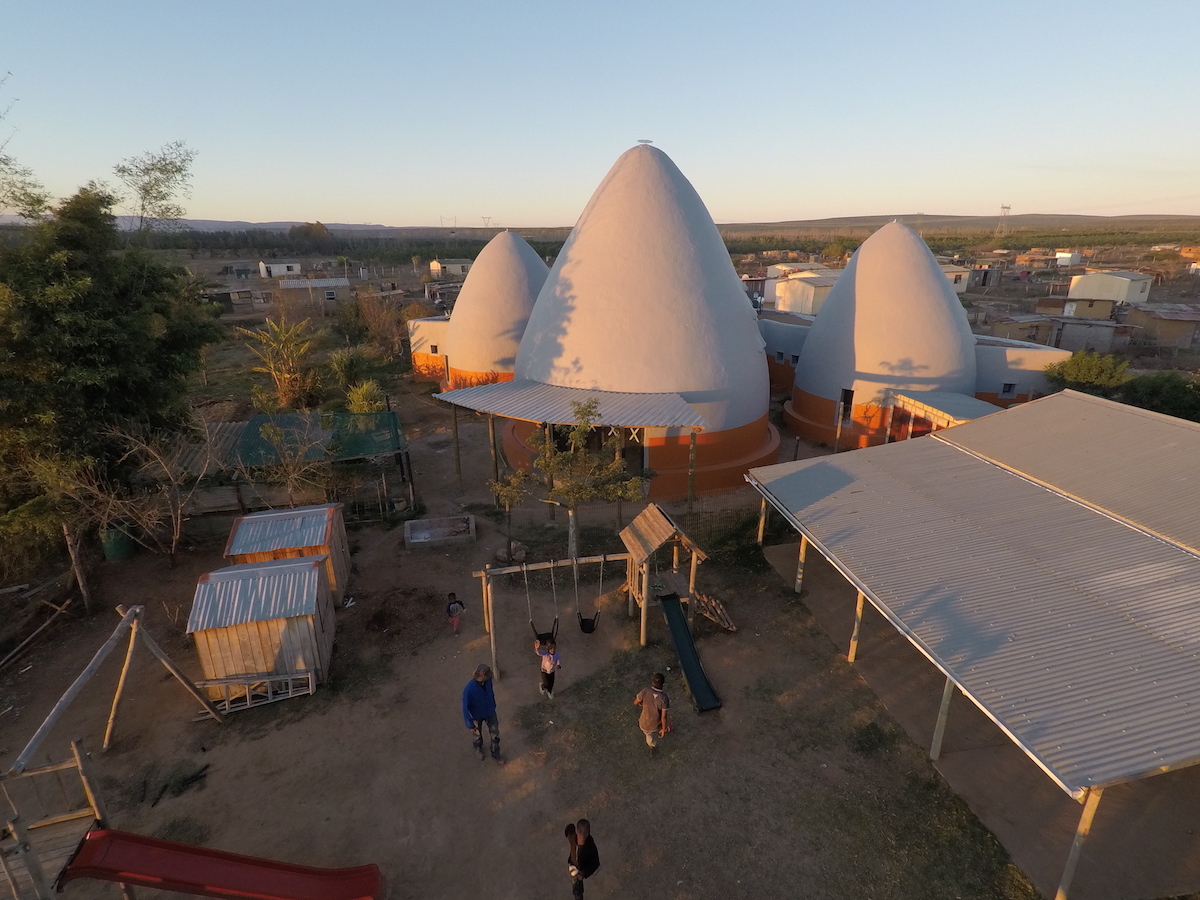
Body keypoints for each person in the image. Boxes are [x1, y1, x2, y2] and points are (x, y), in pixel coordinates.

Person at [461, 664, 503, 764]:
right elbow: (465, 708)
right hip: (476, 716)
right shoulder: (469, 689)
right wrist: (470, 724)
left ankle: (496, 753)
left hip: (490, 711)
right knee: (477, 734)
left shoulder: (488, 681)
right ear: (481, 675)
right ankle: (478, 748)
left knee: (495, 733)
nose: (490, 677)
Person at [633, 673, 670, 756]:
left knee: (649, 736)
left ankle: (664, 729)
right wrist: (663, 729)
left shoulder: (645, 691)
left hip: (645, 722)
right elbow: (664, 717)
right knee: (650, 738)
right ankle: (652, 746)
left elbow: (635, 702)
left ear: (652, 682)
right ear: (662, 684)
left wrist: (642, 703)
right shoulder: (664, 698)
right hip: (654, 724)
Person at [570, 818, 599, 899]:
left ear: (589, 832)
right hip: (575, 866)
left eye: (586, 833)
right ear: (576, 831)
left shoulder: (590, 845)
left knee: (578, 891)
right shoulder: (572, 838)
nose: (583, 836)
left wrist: (583, 873)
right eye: (581, 833)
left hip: (581, 869)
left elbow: (595, 863)